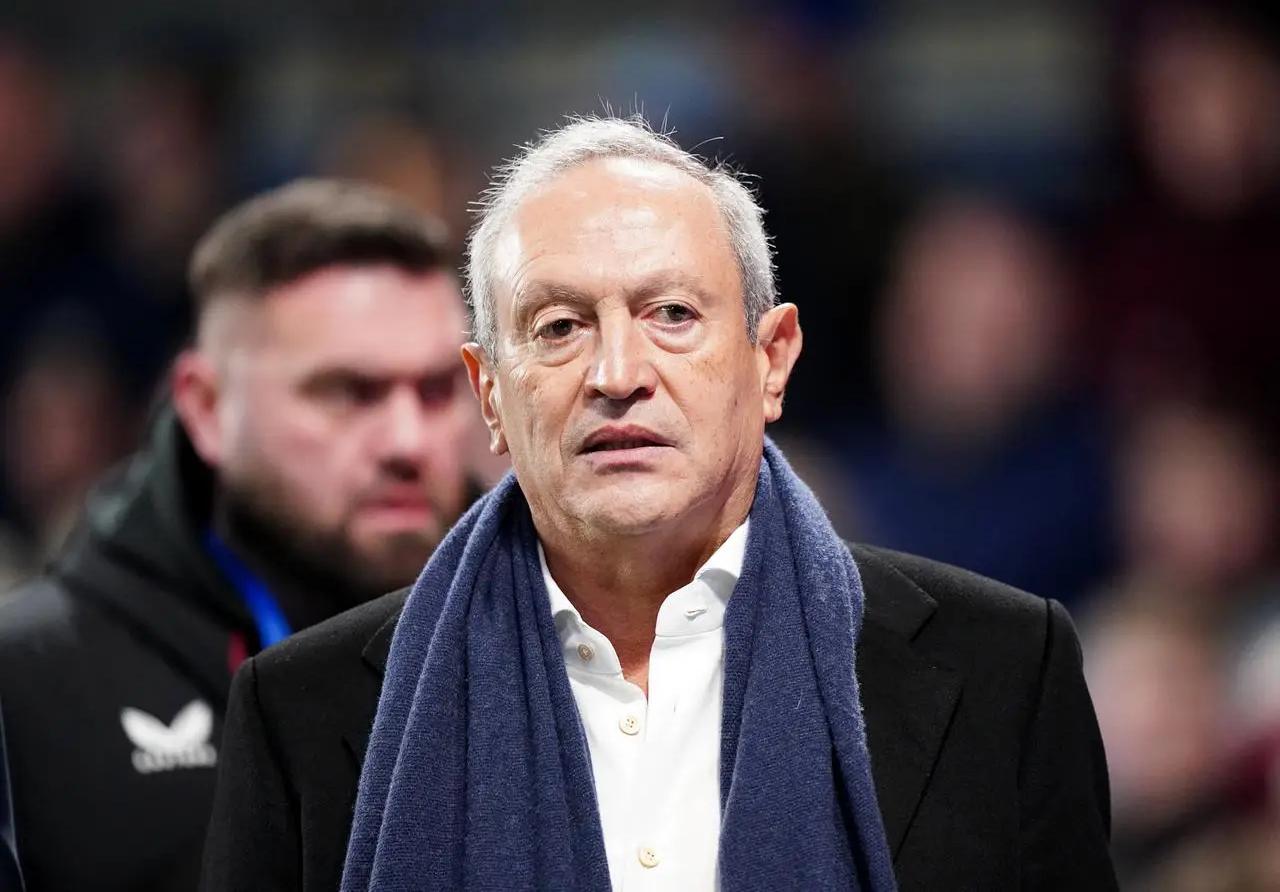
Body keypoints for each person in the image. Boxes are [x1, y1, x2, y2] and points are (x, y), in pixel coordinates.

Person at [201, 117, 1118, 892]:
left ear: (773, 360)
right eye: (559, 327)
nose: (616, 375)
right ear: (487, 394)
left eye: (672, 314)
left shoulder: (1006, 668)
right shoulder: (301, 717)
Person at [0, 178, 478, 892]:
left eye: (439, 390)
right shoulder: (27, 683)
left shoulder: (551, 641)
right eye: (349, 392)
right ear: (206, 406)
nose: (408, 440)